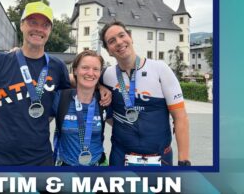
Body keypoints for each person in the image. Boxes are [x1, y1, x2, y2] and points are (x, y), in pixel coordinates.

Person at [0, 1, 71, 166]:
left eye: (45, 25)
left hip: (40, 160)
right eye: (32, 22)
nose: (38, 29)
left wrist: (101, 86)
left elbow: (81, 85)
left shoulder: (58, 68)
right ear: (21, 25)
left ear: (50, 31)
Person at [99, 21, 190, 166]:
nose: (119, 42)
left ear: (130, 37)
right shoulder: (107, 75)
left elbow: (181, 117)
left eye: (122, 35)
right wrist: (99, 86)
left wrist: (184, 162)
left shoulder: (160, 69)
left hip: (160, 158)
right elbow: (77, 79)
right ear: (108, 50)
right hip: (121, 157)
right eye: (111, 41)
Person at [52, 50, 109, 166]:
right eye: (85, 68)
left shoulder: (105, 100)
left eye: (95, 69)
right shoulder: (61, 97)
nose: (90, 73)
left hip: (97, 170)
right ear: (75, 71)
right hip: (66, 170)